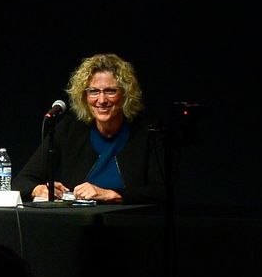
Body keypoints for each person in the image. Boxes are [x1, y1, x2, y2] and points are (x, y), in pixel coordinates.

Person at [13, 53, 163, 204]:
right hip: (79, 223)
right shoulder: (69, 129)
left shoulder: (149, 132)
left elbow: (161, 191)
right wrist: (38, 189)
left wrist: (111, 194)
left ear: (125, 95)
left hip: (130, 222)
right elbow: (22, 181)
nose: (102, 100)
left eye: (110, 91)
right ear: (84, 96)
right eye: (94, 91)